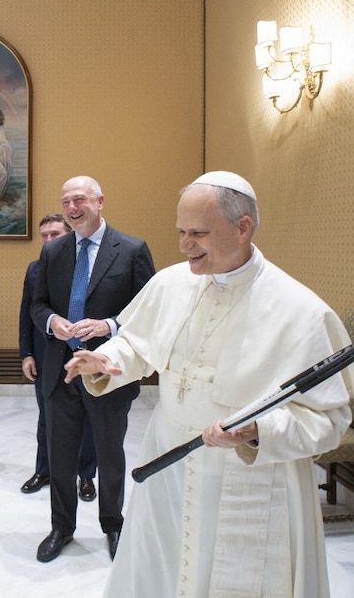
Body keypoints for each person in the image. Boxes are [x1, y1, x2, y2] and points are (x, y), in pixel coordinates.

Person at [64, 171, 353, 597]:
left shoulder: (302, 312)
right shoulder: (170, 282)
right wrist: (106, 360)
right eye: (181, 231)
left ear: (242, 228)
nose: (184, 245)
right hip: (168, 461)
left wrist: (258, 431)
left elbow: (329, 419)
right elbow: (138, 342)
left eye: (198, 232)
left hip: (249, 476)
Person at [30, 175, 155, 563]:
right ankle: (61, 528)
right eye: (65, 201)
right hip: (61, 372)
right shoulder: (53, 253)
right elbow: (38, 305)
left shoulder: (132, 250)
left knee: (109, 453)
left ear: (100, 201)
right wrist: (53, 322)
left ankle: (113, 524)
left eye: (80, 200)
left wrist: (108, 326)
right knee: (61, 455)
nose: (72, 208)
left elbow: (149, 312)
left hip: (108, 373)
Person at [19, 213, 98, 500]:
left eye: (55, 234)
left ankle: (86, 475)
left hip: (85, 355)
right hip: (46, 357)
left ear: (68, 235)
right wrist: (26, 354)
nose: (49, 240)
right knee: (47, 419)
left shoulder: (91, 265)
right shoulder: (35, 269)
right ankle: (44, 469)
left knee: (88, 419)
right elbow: (28, 313)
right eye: (45, 235)